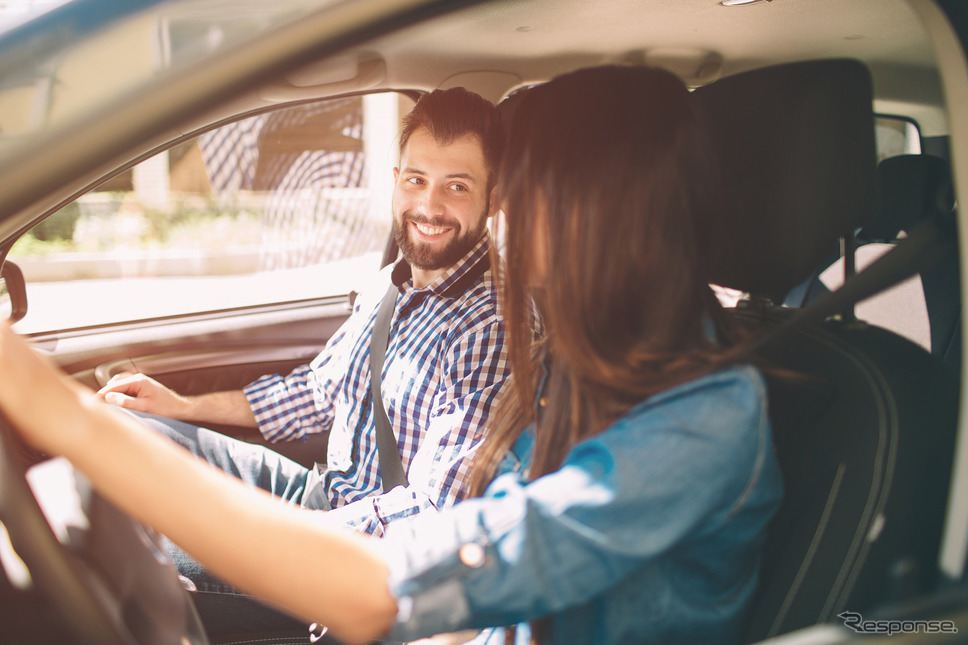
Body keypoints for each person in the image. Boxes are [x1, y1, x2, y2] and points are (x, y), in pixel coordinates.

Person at [0, 64, 783, 645]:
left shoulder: (705, 421)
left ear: (594, 221)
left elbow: (396, 584)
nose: (502, 230)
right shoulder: (589, 365)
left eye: (515, 200)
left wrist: (64, 414)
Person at [93, 87, 512, 631]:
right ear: (395, 181)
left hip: (362, 563)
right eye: (416, 180)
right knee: (129, 430)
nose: (429, 206)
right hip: (322, 495)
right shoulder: (393, 284)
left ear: (493, 196)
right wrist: (182, 405)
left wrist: (273, 534)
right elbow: (317, 392)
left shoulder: (492, 326)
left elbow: (433, 515)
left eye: (457, 186)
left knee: (139, 564)